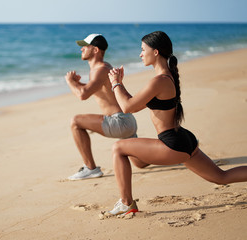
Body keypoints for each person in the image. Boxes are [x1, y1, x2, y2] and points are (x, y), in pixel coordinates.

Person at [105, 31, 247, 216]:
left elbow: (127, 107)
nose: (140, 54)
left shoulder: (159, 80)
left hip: (172, 144)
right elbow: (134, 104)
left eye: (142, 50)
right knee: (221, 177)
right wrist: (119, 85)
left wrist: (115, 83)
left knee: (118, 148)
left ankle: (126, 203)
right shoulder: (166, 77)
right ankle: (130, 192)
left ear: (155, 52)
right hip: (183, 139)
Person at [65, 33, 138, 181]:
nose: (81, 49)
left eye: (85, 46)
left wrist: (70, 81)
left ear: (96, 50)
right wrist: (78, 84)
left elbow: (83, 95)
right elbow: (94, 90)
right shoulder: (102, 68)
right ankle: (169, 155)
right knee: (141, 162)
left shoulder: (100, 69)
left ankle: (90, 168)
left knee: (75, 122)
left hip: (119, 121)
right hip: (126, 121)